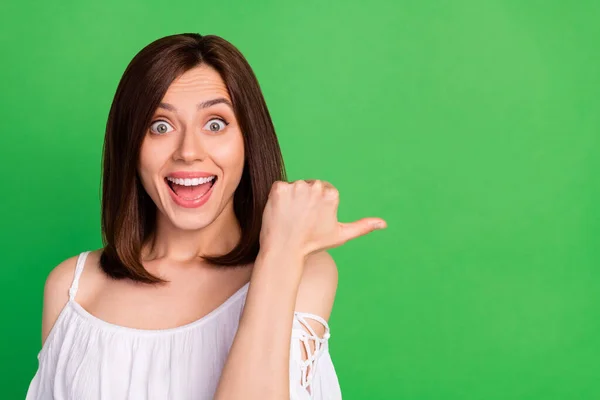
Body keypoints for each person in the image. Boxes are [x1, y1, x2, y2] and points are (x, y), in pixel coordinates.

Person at [25, 33, 387, 400]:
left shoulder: (301, 270)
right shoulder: (72, 289)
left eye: (215, 124)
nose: (188, 152)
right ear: (130, 145)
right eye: (160, 126)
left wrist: (281, 248)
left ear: (249, 140)